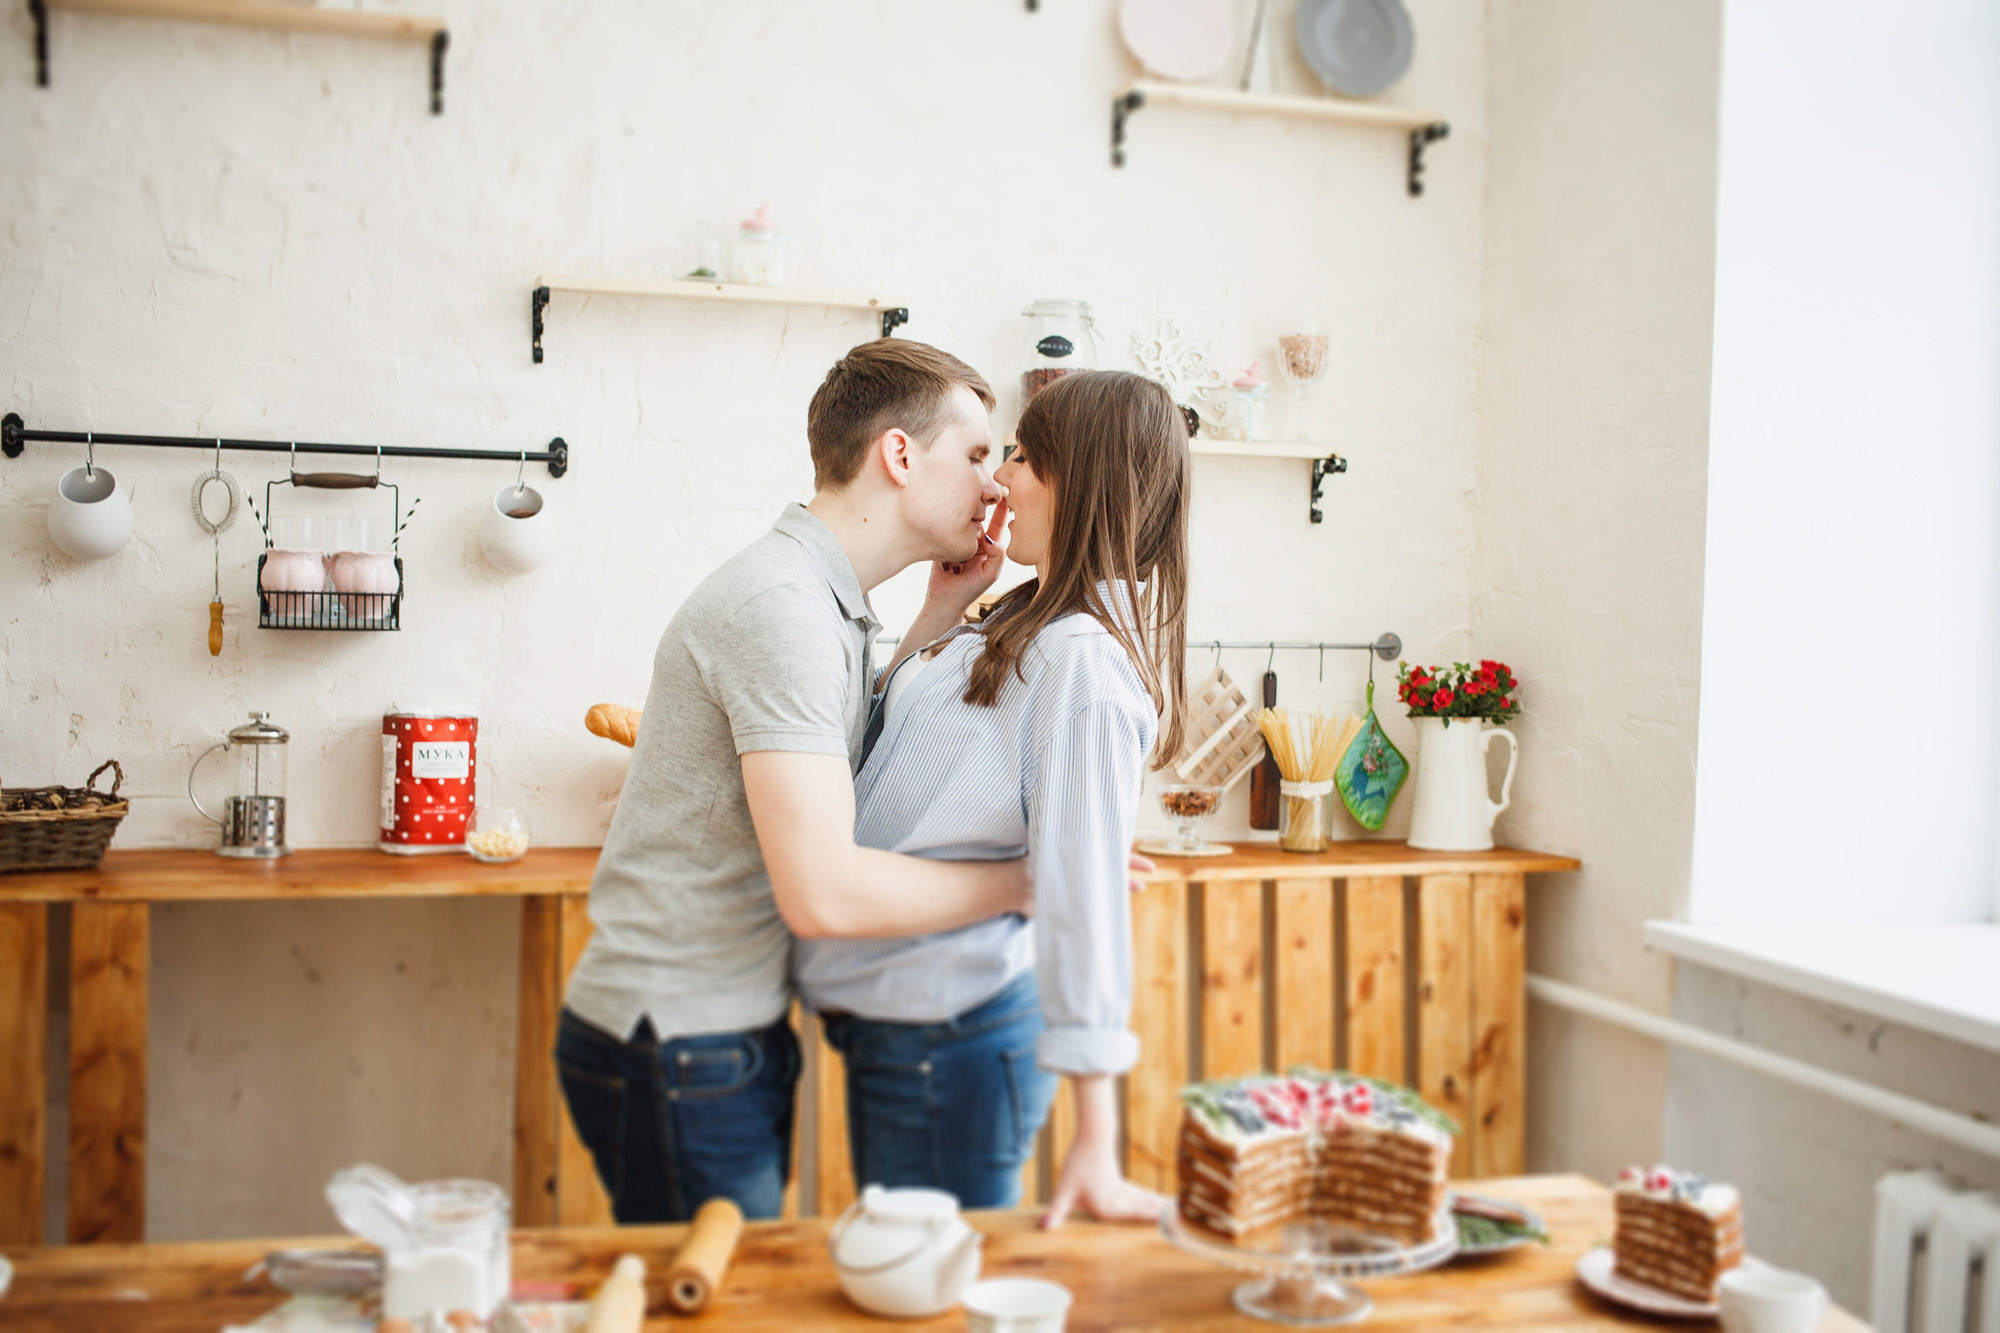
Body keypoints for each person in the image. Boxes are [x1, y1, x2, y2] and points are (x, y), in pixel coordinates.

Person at [557, 339, 1031, 1223]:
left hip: (707, 1031)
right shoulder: (783, 609)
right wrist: (1025, 884)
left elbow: (839, 763)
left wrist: (934, 613)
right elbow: (824, 893)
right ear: (898, 455)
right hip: (677, 1039)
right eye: (974, 456)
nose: (995, 485)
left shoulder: (817, 594)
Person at [795, 369, 1190, 1228]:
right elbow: (891, 753)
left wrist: (1097, 1136)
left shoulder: (1081, 662)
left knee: (932, 1294)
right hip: (905, 1024)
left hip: (950, 1036)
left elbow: (1082, 899)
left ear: (1079, 482)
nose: (999, 480)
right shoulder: (1027, 619)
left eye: (1021, 456)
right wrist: (943, 606)